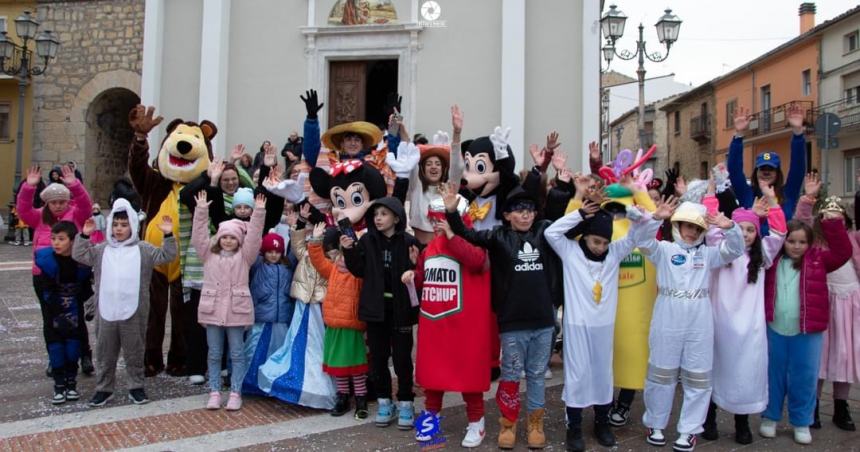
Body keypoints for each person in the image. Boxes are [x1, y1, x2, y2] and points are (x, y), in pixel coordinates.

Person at [446, 186, 562, 449]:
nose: (525, 216)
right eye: (519, 211)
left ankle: (535, 424)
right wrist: (452, 210)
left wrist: (563, 187)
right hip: (512, 322)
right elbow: (466, 234)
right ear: (507, 215)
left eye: (529, 210)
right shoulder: (498, 236)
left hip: (543, 321)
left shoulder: (545, 232)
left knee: (535, 374)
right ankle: (508, 423)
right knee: (510, 374)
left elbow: (561, 213)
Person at [632, 199, 744, 452]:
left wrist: (730, 228)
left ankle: (689, 430)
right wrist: (655, 218)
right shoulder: (664, 250)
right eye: (686, 226)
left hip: (699, 319)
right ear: (677, 226)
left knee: (698, 376)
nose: (691, 232)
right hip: (667, 316)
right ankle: (656, 424)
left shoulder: (708, 254)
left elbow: (735, 250)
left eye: (696, 228)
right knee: (661, 373)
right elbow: (641, 241)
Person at [545, 193, 644, 452]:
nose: (600, 247)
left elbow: (636, 235)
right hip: (577, 327)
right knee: (577, 376)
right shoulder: (571, 251)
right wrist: (580, 214)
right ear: (585, 236)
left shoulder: (613, 254)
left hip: (604, 327)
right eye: (596, 241)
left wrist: (629, 211)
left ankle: (602, 423)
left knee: (602, 375)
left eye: (604, 242)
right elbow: (552, 233)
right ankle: (574, 427)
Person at [403, 189, 492, 448]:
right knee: (433, 375)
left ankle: (477, 421)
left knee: (469, 376)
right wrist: (413, 276)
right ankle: (431, 418)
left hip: (464, 325)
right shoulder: (430, 248)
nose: (435, 224)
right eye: (433, 219)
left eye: (439, 218)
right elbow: (425, 279)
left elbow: (475, 261)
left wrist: (453, 234)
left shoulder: (472, 241)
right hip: (435, 323)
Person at [702, 183, 786, 445]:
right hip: (719, 324)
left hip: (749, 329)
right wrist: (709, 196)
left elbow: (780, 232)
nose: (746, 234)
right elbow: (711, 224)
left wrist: (772, 200)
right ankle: (709, 418)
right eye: (741, 229)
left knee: (744, 375)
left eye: (751, 229)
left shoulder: (762, 256)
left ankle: (741, 423)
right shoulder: (721, 250)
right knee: (714, 371)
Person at [73, 199, 177, 407]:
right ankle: (104, 388)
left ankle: (136, 386)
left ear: (132, 225)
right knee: (105, 352)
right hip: (106, 310)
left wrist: (168, 235)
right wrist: (84, 235)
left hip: (134, 311)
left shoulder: (143, 249)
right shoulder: (102, 249)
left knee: (135, 350)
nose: (119, 229)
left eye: (124, 224)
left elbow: (167, 255)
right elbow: (79, 254)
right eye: (115, 224)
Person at [759, 214, 851, 444]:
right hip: (774, 328)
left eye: (802, 242)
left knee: (804, 378)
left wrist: (832, 223)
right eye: (791, 241)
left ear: (810, 243)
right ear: (783, 241)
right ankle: (770, 417)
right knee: (773, 375)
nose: (797, 246)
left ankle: (802, 421)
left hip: (807, 331)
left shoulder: (819, 260)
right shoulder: (771, 261)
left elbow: (842, 253)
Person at [341, 197, 420, 430]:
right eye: (376, 214)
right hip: (375, 310)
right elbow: (358, 270)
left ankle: (406, 401)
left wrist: (415, 266)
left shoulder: (408, 241)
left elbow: (420, 271)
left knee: (403, 358)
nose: (378, 218)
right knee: (378, 358)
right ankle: (385, 401)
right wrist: (348, 250)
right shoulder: (367, 240)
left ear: (396, 217)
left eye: (384, 214)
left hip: (401, 309)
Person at [794, 173, 860, 432]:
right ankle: (813, 405)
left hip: (850, 302)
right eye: (828, 215)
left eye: (838, 215)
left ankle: (841, 406)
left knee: (845, 355)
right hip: (824, 302)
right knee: (819, 357)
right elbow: (802, 221)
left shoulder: (853, 238)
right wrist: (809, 198)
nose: (834, 219)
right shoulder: (816, 244)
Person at [18, 165, 95, 378]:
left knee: (76, 316)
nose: (58, 206)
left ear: (67, 201)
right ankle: (56, 359)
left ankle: (84, 354)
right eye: (54, 202)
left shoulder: (76, 215)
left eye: (62, 201)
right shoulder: (39, 217)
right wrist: (28, 187)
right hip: (45, 276)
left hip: (73, 273)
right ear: (47, 203)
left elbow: (86, 205)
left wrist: (74, 184)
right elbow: (23, 209)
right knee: (49, 318)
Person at [191, 190, 265, 411]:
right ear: (219, 238)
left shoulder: (245, 257)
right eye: (225, 237)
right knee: (213, 353)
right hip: (212, 311)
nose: (229, 241)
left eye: (233, 237)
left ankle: (235, 392)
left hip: (236, 311)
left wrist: (259, 212)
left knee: (237, 353)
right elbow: (199, 236)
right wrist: (201, 210)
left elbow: (253, 238)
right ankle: (214, 391)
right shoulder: (208, 254)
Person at [307, 221, 368, 420]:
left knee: (356, 365)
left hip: (351, 325)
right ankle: (343, 397)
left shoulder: (359, 274)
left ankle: (361, 398)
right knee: (339, 366)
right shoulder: (332, 270)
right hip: (334, 323)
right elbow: (317, 260)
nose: (341, 260)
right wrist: (315, 240)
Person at [34, 221, 93, 405]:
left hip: (74, 312)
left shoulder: (81, 264)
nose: (56, 243)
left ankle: (71, 383)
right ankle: (59, 385)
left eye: (61, 239)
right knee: (56, 348)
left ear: (72, 241)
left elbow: (85, 290)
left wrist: (89, 305)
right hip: (53, 313)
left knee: (72, 349)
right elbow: (44, 290)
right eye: (53, 239)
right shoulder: (46, 261)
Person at [387, 105, 465, 244]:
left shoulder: (450, 187)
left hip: (444, 249)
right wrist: (400, 130)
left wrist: (457, 133)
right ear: (422, 169)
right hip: (418, 247)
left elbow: (456, 166)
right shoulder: (416, 186)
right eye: (429, 164)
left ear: (444, 169)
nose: (433, 167)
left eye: (438, 164)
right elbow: (407, 155)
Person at [728, 103, 806, 221]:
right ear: (756, 172)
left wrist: (798, 134)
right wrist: (738, 136)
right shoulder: (747, 193)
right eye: (762, 168)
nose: (766, 172)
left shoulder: (788, 193)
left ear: (778, 173)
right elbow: (734, 170)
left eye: (770, 169)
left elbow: (798, 168)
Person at [242, 233, 295, 396]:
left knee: (278, 353)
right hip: (262, 319)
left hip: (282, 319)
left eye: (277, 251)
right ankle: (251, 383)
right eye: (269, 251)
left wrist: (295, 229)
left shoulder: (288, 266)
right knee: (254, 352)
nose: (273, 254)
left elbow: (295, 250)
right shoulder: (258, 265)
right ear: (263, 252)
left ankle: (274, 384)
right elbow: (250, 250)